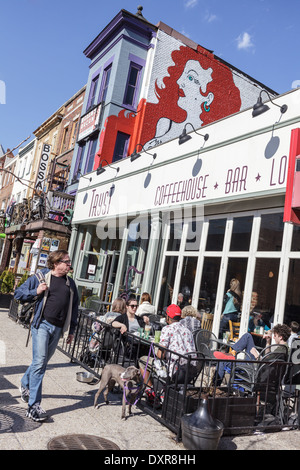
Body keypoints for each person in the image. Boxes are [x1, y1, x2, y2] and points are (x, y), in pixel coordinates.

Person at [14, 250, 79, 422]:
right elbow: (19, 293)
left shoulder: (70, 284)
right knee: (40, 363)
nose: (69, 265)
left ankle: (25, 382)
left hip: (57, 329)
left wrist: (71, 330)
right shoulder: (41, 276)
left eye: (69, 262)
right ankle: (33, 407)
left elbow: (74, 309)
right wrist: (36, 290)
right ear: (56, 263)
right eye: (66, 262)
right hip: (41, 325)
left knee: (40, 362)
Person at [139, 304, 197, 390]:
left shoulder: (167, 329)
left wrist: (156, 350)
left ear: (168, 317)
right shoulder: (188, 331)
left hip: (174, 370)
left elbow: (160, 355)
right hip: (190, 371)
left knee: (143, 360)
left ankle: (150, 391)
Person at [213, 324, 291, 385]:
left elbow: (266, 366)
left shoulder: (281, 351)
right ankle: (232, 353)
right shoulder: (285, 349)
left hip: (254, 369)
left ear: (280, 337)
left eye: (275, 336)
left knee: (222, 361)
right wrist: (268, 341)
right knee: (248, 336)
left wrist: (257, 356)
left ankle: (214, 386)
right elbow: (268, 360)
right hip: (256, 365)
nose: (273, 337)